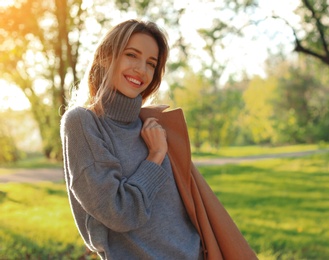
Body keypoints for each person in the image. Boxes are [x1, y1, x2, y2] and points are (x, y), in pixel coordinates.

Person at [61, 19, 257, 260]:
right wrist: (155, 157)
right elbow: (119, 212)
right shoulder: (82, 122)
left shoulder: (154, 124)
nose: (141, 70)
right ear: (105, 56)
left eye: (151, 63)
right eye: (132, 55)